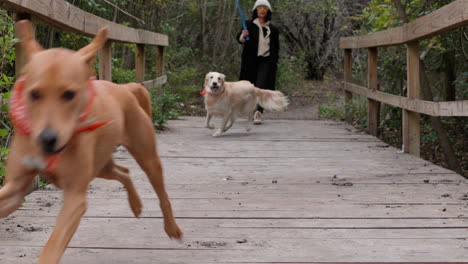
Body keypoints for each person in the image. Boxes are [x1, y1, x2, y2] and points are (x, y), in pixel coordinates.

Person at [237, 0, 279, 125]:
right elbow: (240, 39)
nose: (262, 10)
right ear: (256, 10)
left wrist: (274, 62)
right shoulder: (248, 24)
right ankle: (249, 109)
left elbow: (276, 47)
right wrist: (244, 35)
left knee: (262, 86)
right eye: (260, 8)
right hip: (251, 60)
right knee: (250, 87)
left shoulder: (273, 29)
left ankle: (258, 112)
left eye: (265, 8)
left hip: (266, 61)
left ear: (268, 11)